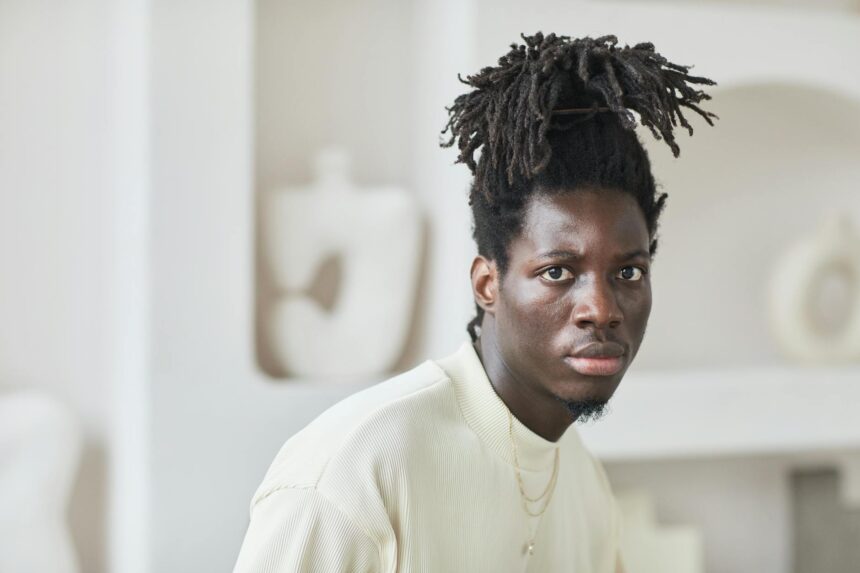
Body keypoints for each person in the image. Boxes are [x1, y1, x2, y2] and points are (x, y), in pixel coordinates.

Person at [233, 31, 718, 572]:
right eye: (558, 272)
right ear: (488, 285)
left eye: (628, 271)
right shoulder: (355, 470)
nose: (601, 309)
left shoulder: (584, 487)